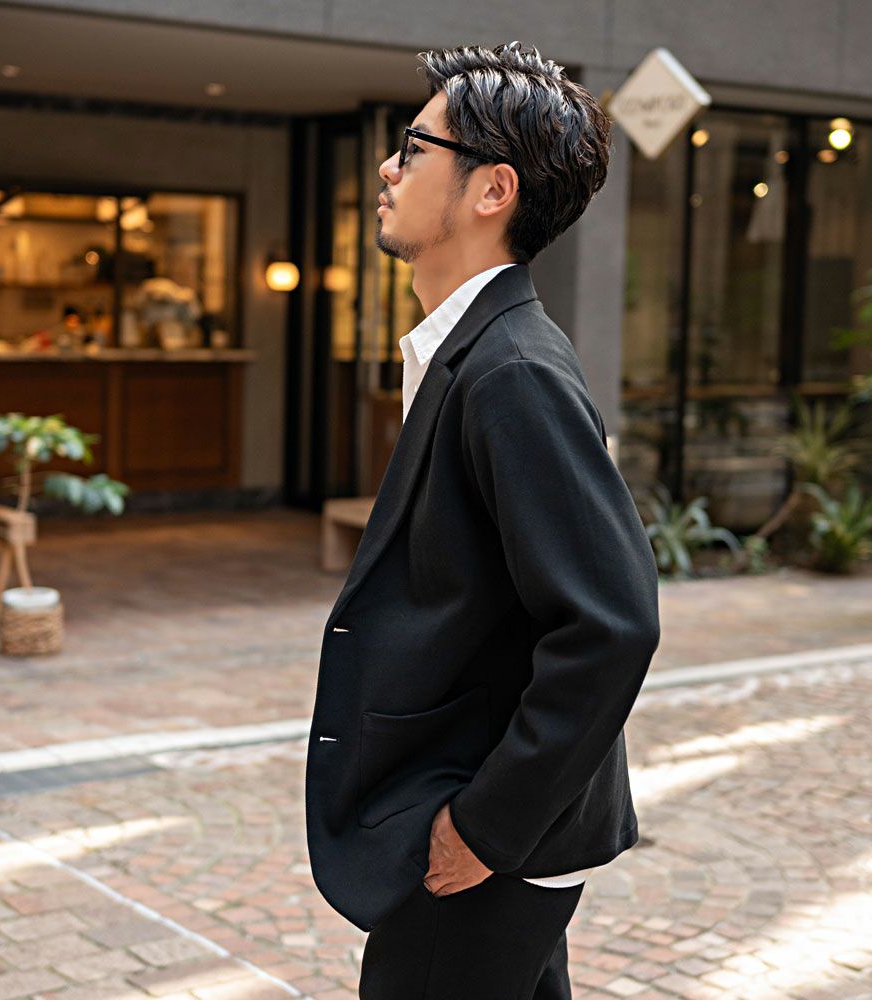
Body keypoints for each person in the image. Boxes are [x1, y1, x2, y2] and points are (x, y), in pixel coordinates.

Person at [304, 40, 661, 1000]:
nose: (388, 167)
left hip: (481, 836)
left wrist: (487, 826)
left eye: (414, 148)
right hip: (475, 814)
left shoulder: (513, 371)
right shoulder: (474, 351)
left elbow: (612, 622)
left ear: (492, 189)